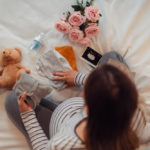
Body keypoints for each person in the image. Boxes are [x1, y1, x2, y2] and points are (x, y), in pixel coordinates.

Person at [5, 51, 149, 150]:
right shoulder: (139, 113)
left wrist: (28, 116)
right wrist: (77, 77)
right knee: (112, 58)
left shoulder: (63, 145)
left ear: (87, 109)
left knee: (12, 100)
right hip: (73, 117)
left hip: (59, 127)